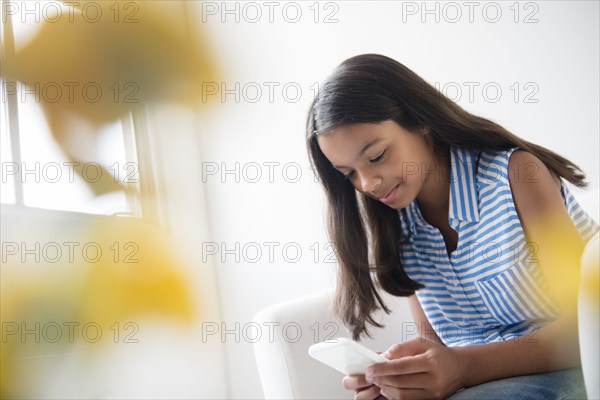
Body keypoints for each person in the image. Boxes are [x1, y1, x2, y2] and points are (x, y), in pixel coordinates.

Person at [306, 54, 598, 400]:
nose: (368, 183)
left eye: (377, 156)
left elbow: (585, 328)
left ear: (420, 121)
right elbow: (438, 342)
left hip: (574, 371)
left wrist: (461, 366)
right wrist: (404, 376)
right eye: (349, 173)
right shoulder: (396, 223)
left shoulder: (517, 175)